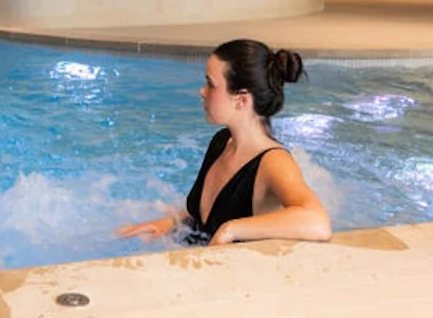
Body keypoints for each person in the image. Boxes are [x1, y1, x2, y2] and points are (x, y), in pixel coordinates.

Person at [116, 39, 331, 246]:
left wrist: (231, 229)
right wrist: (169, 223)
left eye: (211, 84)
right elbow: (204, 221)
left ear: (241, 99)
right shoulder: (222, 141)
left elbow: (317, 222)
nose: (202, 91)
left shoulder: (273, 162)